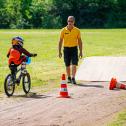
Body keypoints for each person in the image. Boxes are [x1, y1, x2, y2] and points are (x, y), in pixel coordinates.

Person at [58, 16, 83, 84]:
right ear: (67, 21)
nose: (70, 23)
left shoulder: (77, 30)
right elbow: (60, 41)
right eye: (69, 21)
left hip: (74, 49)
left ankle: (73, 78)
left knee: (74, 64)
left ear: (74, 22)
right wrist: (59, 51)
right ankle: (69, 77)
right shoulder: (63, 30)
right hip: (66, 49)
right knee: (67, 65)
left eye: (71, 21)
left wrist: (81, 52)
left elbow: (80, 41)